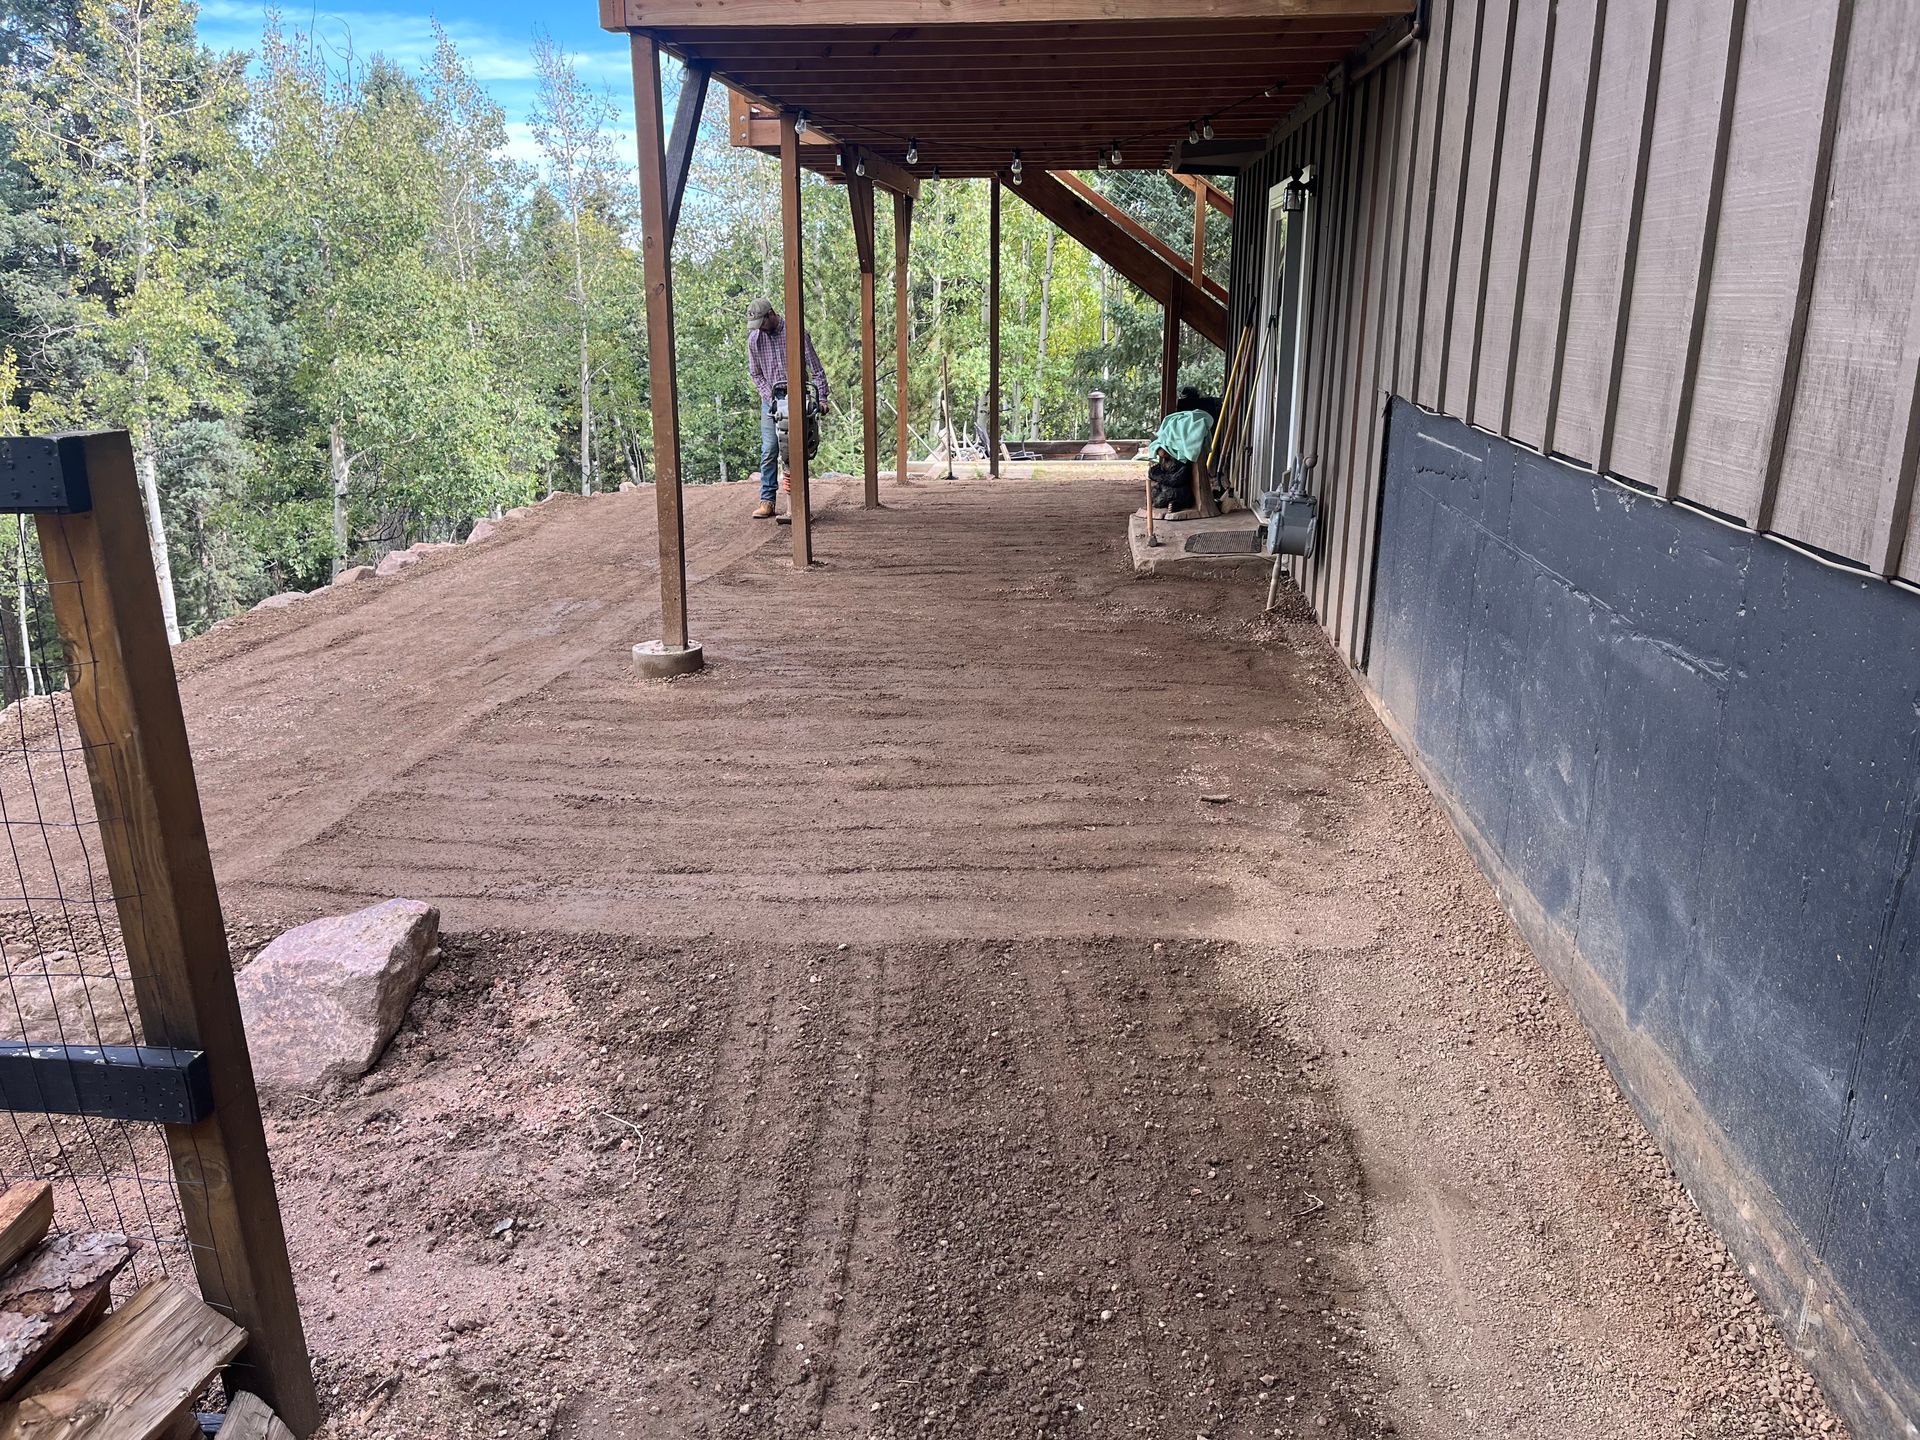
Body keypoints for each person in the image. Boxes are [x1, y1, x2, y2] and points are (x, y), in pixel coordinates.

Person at [746, 297, 829, 519]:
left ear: (771, 315)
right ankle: (767, 501)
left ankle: (799, 502)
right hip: (772, 398)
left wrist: (822, 398)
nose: (760, 330)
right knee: (770, 449)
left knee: (796, 450)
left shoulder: (796, 333)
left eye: (762, 323)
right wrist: (769, 396)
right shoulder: (754, 340)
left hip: (797, 396)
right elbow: (756, 373)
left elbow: (816, 368)